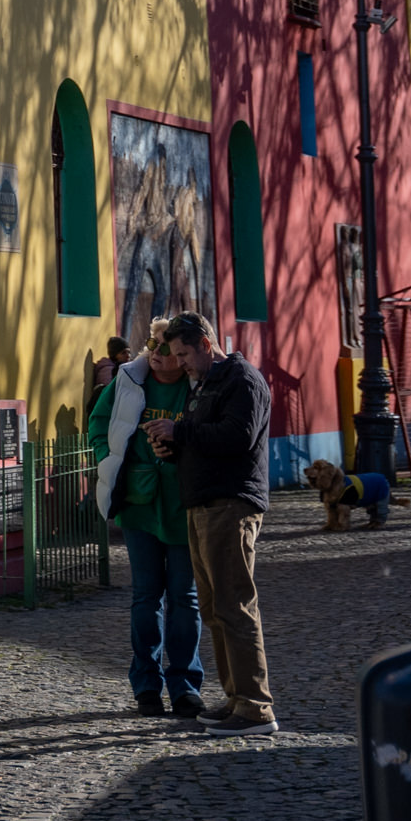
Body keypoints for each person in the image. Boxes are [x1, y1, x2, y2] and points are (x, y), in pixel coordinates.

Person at [143, 309, 276, 733]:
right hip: (203, 505)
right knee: (218, 610)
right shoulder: (206, 384)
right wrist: (174, 448)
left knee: (235, 606)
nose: (179, 363)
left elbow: (238, 437)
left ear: (205, 344)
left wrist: (180, 433)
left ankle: (255, 707)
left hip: (230, 505)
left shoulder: (241, 380)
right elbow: (206, 442)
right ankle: (237, 697)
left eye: (184, 353)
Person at [88, 320, 203, 717]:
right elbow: (98, 424)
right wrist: (107, 458)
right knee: (145, 596)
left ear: (184, 356)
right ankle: (146, 685)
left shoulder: (199, 387)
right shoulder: (128, 379)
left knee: (185, 598)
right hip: (138, 502)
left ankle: (186, 684)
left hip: (184, 502)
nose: (157, 352)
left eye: (167, 348)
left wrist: (181, 445)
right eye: (153, 344)